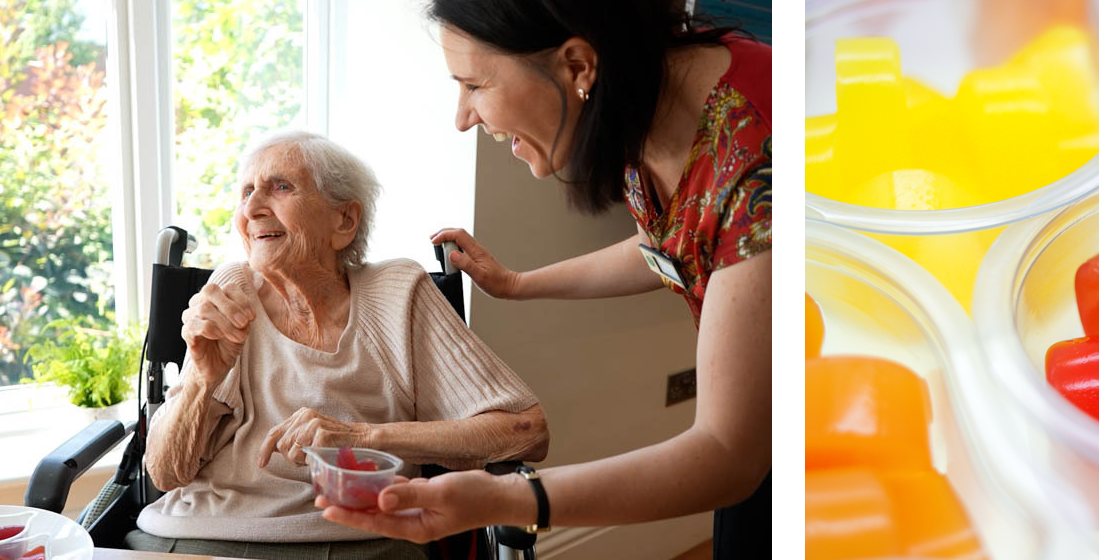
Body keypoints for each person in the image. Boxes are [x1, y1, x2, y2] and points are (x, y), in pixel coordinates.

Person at [318, 1, 771, 557]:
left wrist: (507, 499)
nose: (462, 117)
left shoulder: (759, 167)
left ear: (577, 66)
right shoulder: (646, 96)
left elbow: (728, 454)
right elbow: (676, 241)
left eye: (473, 84)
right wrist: (516, 283)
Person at [133, 131, 549, 558]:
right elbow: (165, 474)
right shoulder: (231, 292)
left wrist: (364, 436)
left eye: (280, 187)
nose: (252, 209)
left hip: (357, 538)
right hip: (195, 539)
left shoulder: (397, 293)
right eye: (246, 193)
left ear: (344, 222)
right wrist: (203, 378)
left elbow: (527, 432)